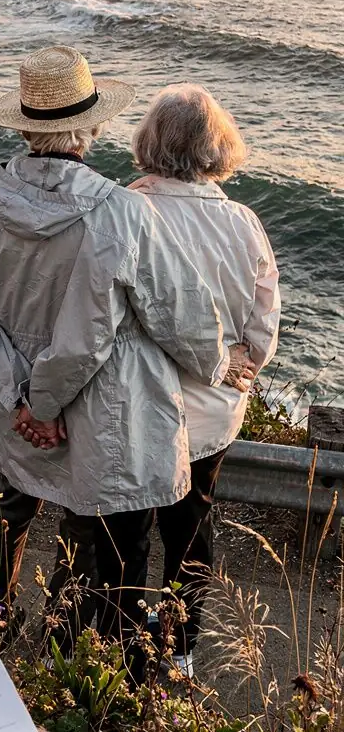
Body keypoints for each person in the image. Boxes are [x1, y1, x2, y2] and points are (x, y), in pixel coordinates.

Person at [0, 47, 249, 670]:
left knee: (12, 509)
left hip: (20, 416)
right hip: (101, 419)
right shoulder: (121, 212)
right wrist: (222, 367)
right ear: (92, 127)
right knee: (96, 545)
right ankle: (79, 666)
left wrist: (22, 398)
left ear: (25, 127)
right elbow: (174, 318)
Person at [128, 84, 280, 673]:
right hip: (214, 414)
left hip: (138, 406)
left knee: (127, 527)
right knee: (191, 530)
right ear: (218, 146)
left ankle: (120, 641)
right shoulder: (244, 223)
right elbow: (262, 327)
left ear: (151, 141)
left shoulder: (128, 210)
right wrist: (240, 362)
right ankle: (180, 648)